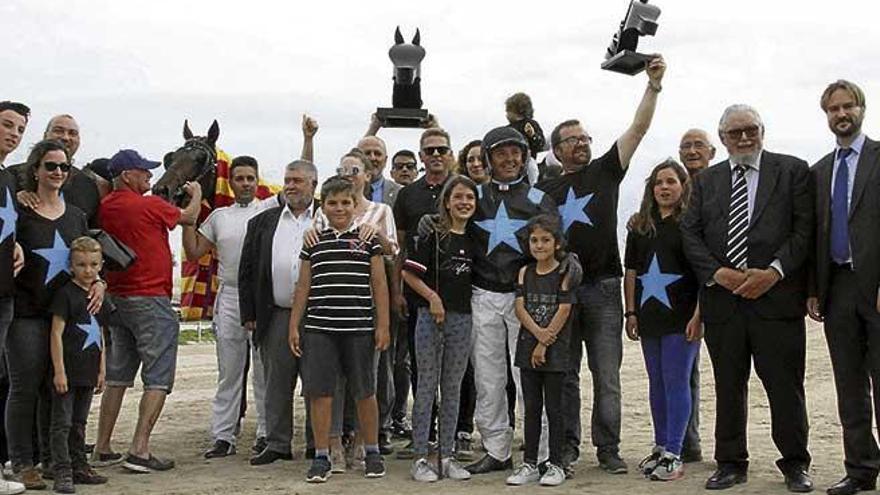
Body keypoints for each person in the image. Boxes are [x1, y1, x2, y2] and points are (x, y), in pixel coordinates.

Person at [537, 55, 667, 475]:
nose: (581, 142)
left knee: (607, 376)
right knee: (567, 374)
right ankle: (569, 447)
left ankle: (608, 448)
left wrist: (653, 86)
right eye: (572, 139)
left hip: (606, 288)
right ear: (556, 151)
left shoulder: (606, 171)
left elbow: (639, 129)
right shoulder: (545, 188)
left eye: (584, 136)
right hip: (563, 291)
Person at [680, 104, 813, 492]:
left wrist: (773, 272)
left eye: (750, 130)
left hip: (777, 301)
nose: (743, 138)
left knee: (786, 387)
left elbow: (804, 230)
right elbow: (691, 234)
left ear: (762, 131)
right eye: (734, 132)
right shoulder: (706, 182)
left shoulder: (792, 171)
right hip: (725, 304)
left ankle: (795, 464)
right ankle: (731, 463)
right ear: (721, 139)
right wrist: (718, 273)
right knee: (728, 387)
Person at [91, 149, 201, 473]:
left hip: (117, 297)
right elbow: (190, 217)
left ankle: (103, 445)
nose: (151, 179)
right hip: (150, 297)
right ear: (128, 175)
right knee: (158, 376)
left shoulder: (105, 206)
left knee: (118, 375)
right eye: (145, 173)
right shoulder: (149, 204)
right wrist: (195, 194)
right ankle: (139, 448)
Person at [465, 125, 559, 476]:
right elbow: (452, 225)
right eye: (500, 153)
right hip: (483, 294)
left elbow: (553, 249)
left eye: (514, 152)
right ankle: (496, 449)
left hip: (525, 299)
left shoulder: (538, 199)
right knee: (488, 379)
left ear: (524, 156)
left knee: (528, 378)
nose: (508, 159)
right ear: (488, 158)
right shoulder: (473, 195)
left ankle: (542, 453)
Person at [7, 139, 96, 490]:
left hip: (68, 318)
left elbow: (89, 258)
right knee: (24, 388)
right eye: (50, 166)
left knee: (56, 390)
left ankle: (53, 460)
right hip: (28, 312)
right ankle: (21, 462)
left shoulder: (76, 215)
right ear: (35, 169)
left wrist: (100, 282)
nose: (57, 172)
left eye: (64, 167)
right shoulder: (19, 210)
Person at [288, 178, 390, 483]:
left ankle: (371, 451)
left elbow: (380, 284)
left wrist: (382, 324)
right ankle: (322, 456)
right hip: (319, 329)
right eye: (333, 203)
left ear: (355, 205)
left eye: (346, 202)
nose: (340, 208)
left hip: (359, 327)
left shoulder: (368, 239)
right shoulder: (313, 241)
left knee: (365, 391)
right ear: (323, 206)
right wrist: (294, 325)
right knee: (320, 393)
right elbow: (303, 286)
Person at [806, 80, 880, 495]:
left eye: (847, 106)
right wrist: (814, 288)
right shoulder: (818, 171)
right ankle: (861, 470)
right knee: (849, 386)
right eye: (833, 109)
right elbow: (816, 234)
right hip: (838, 289)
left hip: (877, 285)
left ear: (862, 109)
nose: (841, 114)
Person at [182, 155, 281, 459]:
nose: (246, 184)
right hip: (230, 296)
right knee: (229, 372)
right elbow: (195, 250)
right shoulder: (219, 217)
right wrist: (191, 210)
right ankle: (224, 436)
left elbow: (299, 179)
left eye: (251, 178)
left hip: (263, 297)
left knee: (264, 371)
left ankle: (266, 433)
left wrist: (308, 139)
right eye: (240, 178)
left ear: (257, 180)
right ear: (232, 182)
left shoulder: (268, 209)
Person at [308, 149, 398, 468]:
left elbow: (392, 254)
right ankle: (331, 442)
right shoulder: (328, 208)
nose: (350, 175)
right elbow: (313, 246)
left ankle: (365, 441)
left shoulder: (381, 210)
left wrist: (379, 237)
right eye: (344, 169)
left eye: (355, 170)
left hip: (365, 310)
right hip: (327, 311)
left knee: (366, 382)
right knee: (329, 384)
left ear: (367, 175)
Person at [623, 160, 701, 482]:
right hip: (649, 315)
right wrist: (630, 312)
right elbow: (631, 272)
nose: (664, 188)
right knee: (656, 381)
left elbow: (702, 275)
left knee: (676, 380)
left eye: (671, 181)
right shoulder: (641, 226)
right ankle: (659, 445)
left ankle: (674, 451)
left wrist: (699, 315)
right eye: (658, 182)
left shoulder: (691, 226)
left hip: (681, 318)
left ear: (683, 186)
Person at [238, 160, 318, 465]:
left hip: (318, 314)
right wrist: (250, 312)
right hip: (275, 314)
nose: (291, 185)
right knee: (276, 382)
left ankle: (317, 442)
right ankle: (277, 443)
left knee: (318, 380)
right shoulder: (262, 222)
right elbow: (246, 272)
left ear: (313, 183)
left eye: (298, 180)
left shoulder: (327, 217)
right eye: (288, 179)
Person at [401, 175, 478, 483]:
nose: (464, 203)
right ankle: (421, 456)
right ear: (447, 201)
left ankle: (446, 456)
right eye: (458, 197)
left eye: (470, 198)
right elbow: (409, 274)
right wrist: (432, 298)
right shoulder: (433, 234)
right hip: (430, 317)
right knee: (426, 386)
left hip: (462, 318)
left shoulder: (475, 238)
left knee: (454, 387)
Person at [392, 128, 457, 458]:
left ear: (449, 153)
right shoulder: (407, 195)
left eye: (441, 150)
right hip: (418, 289)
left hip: (459, 289)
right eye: (429, 150)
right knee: (421, 365)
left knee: (461, 367)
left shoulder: (461, 188)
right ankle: (425, 432)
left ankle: (459, 432)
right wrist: (397, 291)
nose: (435, 155)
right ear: (420, 156)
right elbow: (400, 247)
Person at [506, 215, 573, 487]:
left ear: (556, 243)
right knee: (531, 408)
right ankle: (530, 463)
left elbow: (564, 308)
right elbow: (520, 307)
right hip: (527, 346)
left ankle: (556, 463)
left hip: (555, 349)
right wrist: (537, 337)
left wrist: (545, 341)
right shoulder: (525, 272)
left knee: (554, 409)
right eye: (534, 240)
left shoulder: (564, 272)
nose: (539, 245)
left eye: (545, 240)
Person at [48, 236, 112, 493]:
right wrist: (59, 370)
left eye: (93, 264)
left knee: (79, 422)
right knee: (61, 422)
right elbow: (55, 333)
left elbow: (102, 334)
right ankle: (61, 469)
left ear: (100, 265)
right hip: (68, 370)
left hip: (89, 369)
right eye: (81, 264)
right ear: (71, 265)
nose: (88, 270)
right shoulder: (66, 294)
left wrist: (102, 369)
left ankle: (79, 465)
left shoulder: (98, 296)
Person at [676, 127, 714, 463]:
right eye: (685, 146)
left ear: (712, 151)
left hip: (718, 285)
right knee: (687, 370)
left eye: (698, 145)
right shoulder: (678, 189)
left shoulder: (722, 184)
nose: (691, 151)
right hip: (683, 293)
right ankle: (688, 441)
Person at [0, 100, 28, 495]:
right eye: (7, 125)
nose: (13, 133)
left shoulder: (6, 177)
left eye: (20, 129)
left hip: (5, 288)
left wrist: (15, 243)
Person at [12, 115, 101, 227]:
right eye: (58, 131)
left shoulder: (88, 186)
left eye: (72, 133)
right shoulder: (11, 175)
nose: (65, 137)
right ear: (45, 135)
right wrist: (13, 199)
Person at [505, 93, 547, 159]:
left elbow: (540, 144)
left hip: (528, 160)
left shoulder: (530, 124)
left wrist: (532, 135)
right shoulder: (507, 129)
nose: (506, 114)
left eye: (508, 110)